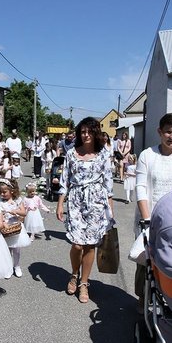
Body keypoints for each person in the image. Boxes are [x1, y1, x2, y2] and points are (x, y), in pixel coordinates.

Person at [133, 112, 172, 305]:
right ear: (160, 132)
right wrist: (147, 221)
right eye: (168, 132)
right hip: (149, 217)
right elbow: (141, 188)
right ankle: (143, 299)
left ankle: (171, 299)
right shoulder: (147, 155)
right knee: (146, 262)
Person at [56, 117, 115, 304]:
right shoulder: (72, 153)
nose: (86, 135)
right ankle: (74, 273)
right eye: (83, 132)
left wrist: (110, 212)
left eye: (89, 131)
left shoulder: (103, 154)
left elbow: (108, 183)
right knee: (77, 244)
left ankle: (84, 283)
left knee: (89, 245)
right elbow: (64, 180)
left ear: (95, 132)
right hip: (75, 200)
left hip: (97, 202)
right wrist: (59, 203)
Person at [0, 178, 31, 278]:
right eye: (0, 192)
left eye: (4, 192)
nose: (2, 194)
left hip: (16, 229)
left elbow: (24, 213)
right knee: (7, 249)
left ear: (11, 191)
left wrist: (16, 211)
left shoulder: (17, 200)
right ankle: (8, 267)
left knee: (16, 249)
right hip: (6, 229)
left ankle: (16, 266)